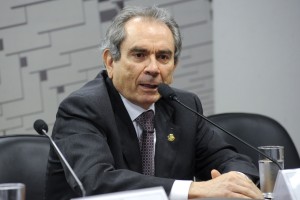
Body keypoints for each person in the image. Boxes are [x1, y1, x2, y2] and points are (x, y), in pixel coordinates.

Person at [45, 6, 263, 200]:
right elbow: (97, 183)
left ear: (174, 65)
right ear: (110, 62)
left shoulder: (183, 105)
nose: (153, 68)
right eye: (139, 55)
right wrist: (195, 190)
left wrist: (235, 183)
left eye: (163, 57)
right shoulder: (82, 108)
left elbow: (231, 160)